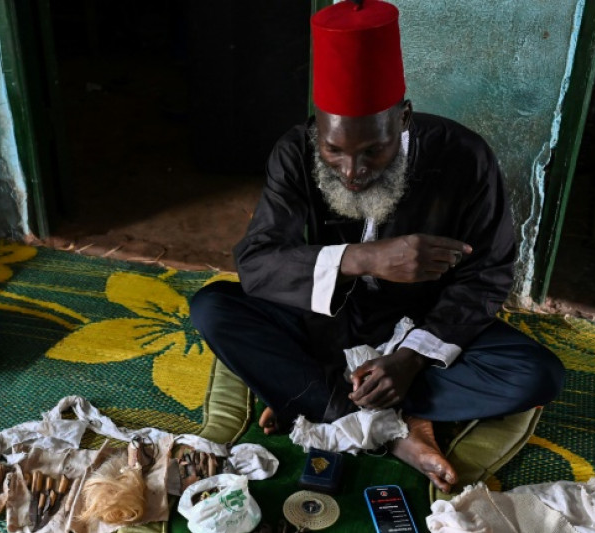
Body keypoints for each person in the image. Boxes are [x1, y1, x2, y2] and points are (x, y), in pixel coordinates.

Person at [189, 0, 565, 494]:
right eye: (334, 149)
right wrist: (362, 258)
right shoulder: (295, 152)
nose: (352, 171)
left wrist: (412, 357)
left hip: (422, 323)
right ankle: (392, 431)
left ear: (403, 118)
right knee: (213, 308)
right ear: (317, 130)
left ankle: (315, 398)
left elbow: (489, 273)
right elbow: (257, 263)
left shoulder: (463, 156)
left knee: (535, 375)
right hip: (323, 321)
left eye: (373, 150)